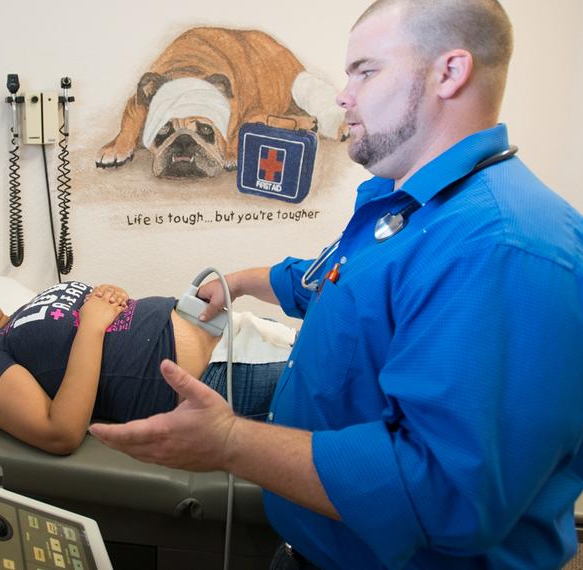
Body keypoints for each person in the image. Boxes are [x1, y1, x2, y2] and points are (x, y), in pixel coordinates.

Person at [89, 1, 583, 568]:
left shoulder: (503, 248)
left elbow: (445, 493)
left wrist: (229, 442)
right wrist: (245, 281)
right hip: (312, 544)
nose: (343, 95)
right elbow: (337, 286)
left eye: (366, 72)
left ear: (450, 72)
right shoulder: (408, 208)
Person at [0, 270, 289, 455]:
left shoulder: (27, 309)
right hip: (214, 377)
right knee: (343, 389)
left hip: (237, 330)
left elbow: (105, 311)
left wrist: (112, 296)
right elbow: (58, 432)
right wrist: (93, 326)